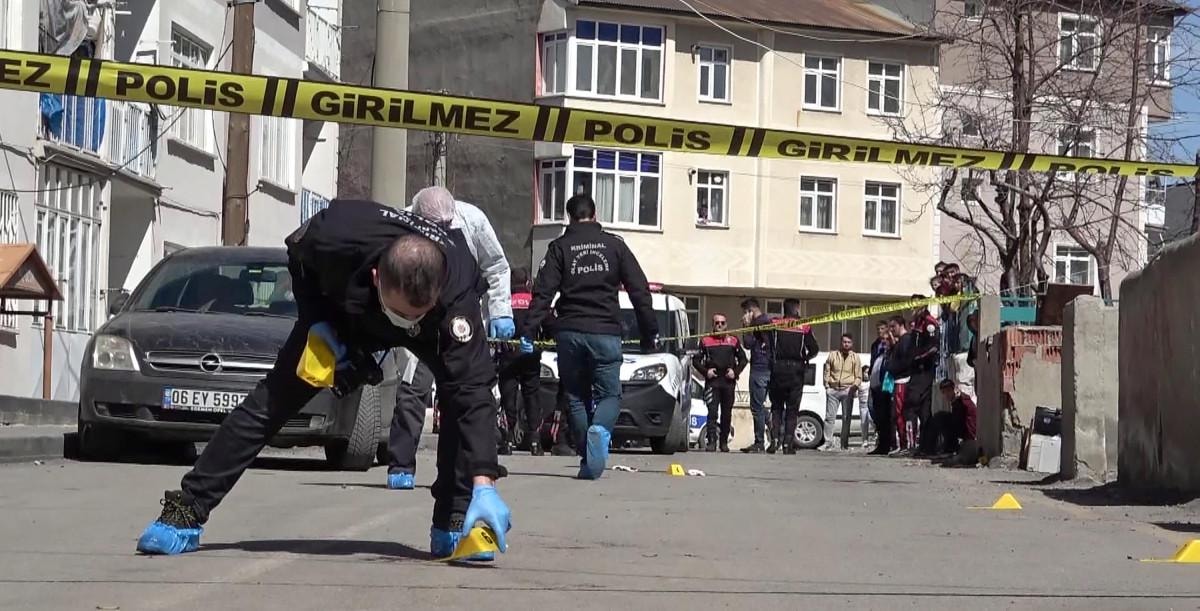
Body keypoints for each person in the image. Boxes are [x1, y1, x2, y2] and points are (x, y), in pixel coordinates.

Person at [135, 199, 512, 561]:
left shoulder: (456, 292)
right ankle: (187, 509)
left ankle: (455, 516)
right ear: (376, 276)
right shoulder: (339, 234)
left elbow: (475, 395)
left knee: (457, 399)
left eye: (412, 315)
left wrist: (485, 482)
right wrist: (316, 319)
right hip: (346, 315)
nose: (403, 324)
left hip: (433, 329)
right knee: (272, 402)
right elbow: (300, 259)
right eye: (399, 314)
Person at [520, 194, 658, 480]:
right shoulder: (615, 246)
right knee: (610, 395)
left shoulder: (559, 247)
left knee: (575, 396)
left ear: (569, 218)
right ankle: (600, 429)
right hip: (605, 331)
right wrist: (649, 333)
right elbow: (640, 291)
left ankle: (588, 458)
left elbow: (543, 294)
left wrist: (529, 331)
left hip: (569, 332)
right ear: (595, 215)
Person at [386, 186, 513, 490]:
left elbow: (496, 266)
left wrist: (500, 311)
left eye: (446, 225)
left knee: (469, 393)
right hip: (420, 317)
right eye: (435, 226)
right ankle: (401, 464)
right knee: (413, 389)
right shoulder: (402, 223)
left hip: (463, 318)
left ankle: (472, 466)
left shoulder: (473, 220)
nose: (441, 231)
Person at [496, 267, 551, 456]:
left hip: (508, 356)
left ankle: (509, 439)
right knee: (532, 395)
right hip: (530, 355)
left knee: (508, 396)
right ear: (528, 282)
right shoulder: (534, 303)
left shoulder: (505, 303)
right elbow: (549, 325)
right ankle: (535, 441)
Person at [767, 298, 820, 455]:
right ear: (796, 308)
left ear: (784, 309)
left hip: (778, 369)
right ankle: (787, 443)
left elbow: (768, 344)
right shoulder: (804, 326)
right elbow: (814, 349)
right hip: (796, 371)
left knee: (776, 407)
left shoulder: (775, 324)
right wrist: (805, 358)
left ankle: (774, 440)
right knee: (792, 409)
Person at [694, 313, 748, 452]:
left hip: (728, 382)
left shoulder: (733, 341)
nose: (719, 325)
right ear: (713, 325)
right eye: (717, 323)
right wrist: (706, 372)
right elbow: (695, 361)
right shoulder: (705, 341)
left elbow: (743, 359)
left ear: (726, 325)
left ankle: (724, 442)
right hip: (713, 382)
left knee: (726, 413)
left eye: (722, 323)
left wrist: (735, 372)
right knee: (712, 413)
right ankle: (712, 441)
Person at [739, 298, 774, 453]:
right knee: (764, 406)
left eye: (745, 312)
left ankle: (759, 442)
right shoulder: (769, 322)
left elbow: (748, 344)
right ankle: (775, 432)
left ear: (750, 311)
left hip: (759, 367)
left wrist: (746, 327)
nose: (744, 316)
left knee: (757, 406)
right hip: (771, 367)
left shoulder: (756, 324)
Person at [822, 333, 862, 451]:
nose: (846, 344)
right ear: (841, 343)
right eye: (844, 342)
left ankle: (844, 444)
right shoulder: (833, 355)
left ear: (852, 344)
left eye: (848, 342)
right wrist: (827, 386)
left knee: (846, 418)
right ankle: (828, 443)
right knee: (829, 417)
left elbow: (858, 376)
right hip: (833, 390)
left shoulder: (855, 357)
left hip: (847, 390)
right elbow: (827, 371)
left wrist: (854, 387)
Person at [885, 315, 915, 452]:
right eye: (890, 327)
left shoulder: (906, 340)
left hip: (903, 381)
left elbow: (905, 362)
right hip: (898, 381)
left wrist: (892, 368)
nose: (891, 330)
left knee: (901, 413)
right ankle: (902, 444)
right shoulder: (899, 342)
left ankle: (906, 445)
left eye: (893, 326)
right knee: (897, 414)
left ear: (901, 325)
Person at [868, 323, 895, 455]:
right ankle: (881, 444)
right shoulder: (875, 347)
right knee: (877, 414)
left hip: (886, 386)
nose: (883, 341)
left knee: (886, 416)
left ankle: (888, 444)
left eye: (886, 339)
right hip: (875, 385)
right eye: (882, 339)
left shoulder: (891, 351)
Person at [938, 378, 977, 454]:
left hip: (970, 435)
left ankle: (951, 448)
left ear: (954, 389)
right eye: (944, 392)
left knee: (942, 418)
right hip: (967, 433)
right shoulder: (958, 400)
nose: (946, 394)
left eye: (948, 391)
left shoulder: (960, 402)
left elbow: (959, 423)